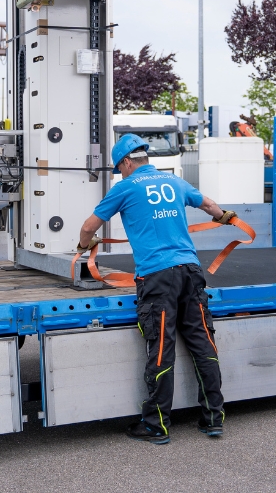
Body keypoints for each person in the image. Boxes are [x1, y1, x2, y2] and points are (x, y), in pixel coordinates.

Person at [77, 133, 236, 445]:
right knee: (203, 343)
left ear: (126, 162)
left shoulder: (125, 187)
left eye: (120, 168)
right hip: (190, 272)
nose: (120, 173)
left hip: (157, 277)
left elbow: (88, 227)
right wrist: (225, 217)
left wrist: (84, 245)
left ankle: (156, 425)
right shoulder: (174, 182)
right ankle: (213, 419)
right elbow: (209, 205)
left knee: (161, 348)